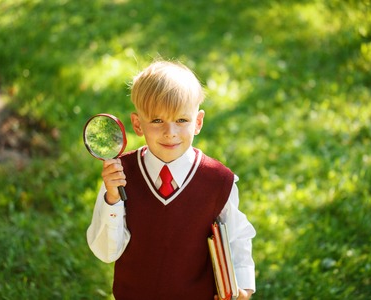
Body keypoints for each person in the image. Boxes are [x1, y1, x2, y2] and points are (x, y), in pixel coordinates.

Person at [87, 60, 256, 300]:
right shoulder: (121, 175)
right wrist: (112, 199)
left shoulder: (218, 181)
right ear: (137, 124)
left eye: (181, 121)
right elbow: (106, 252)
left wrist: (243, 288)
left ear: (198, 122)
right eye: (157, 121)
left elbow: (237, 238)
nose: (170, 132)